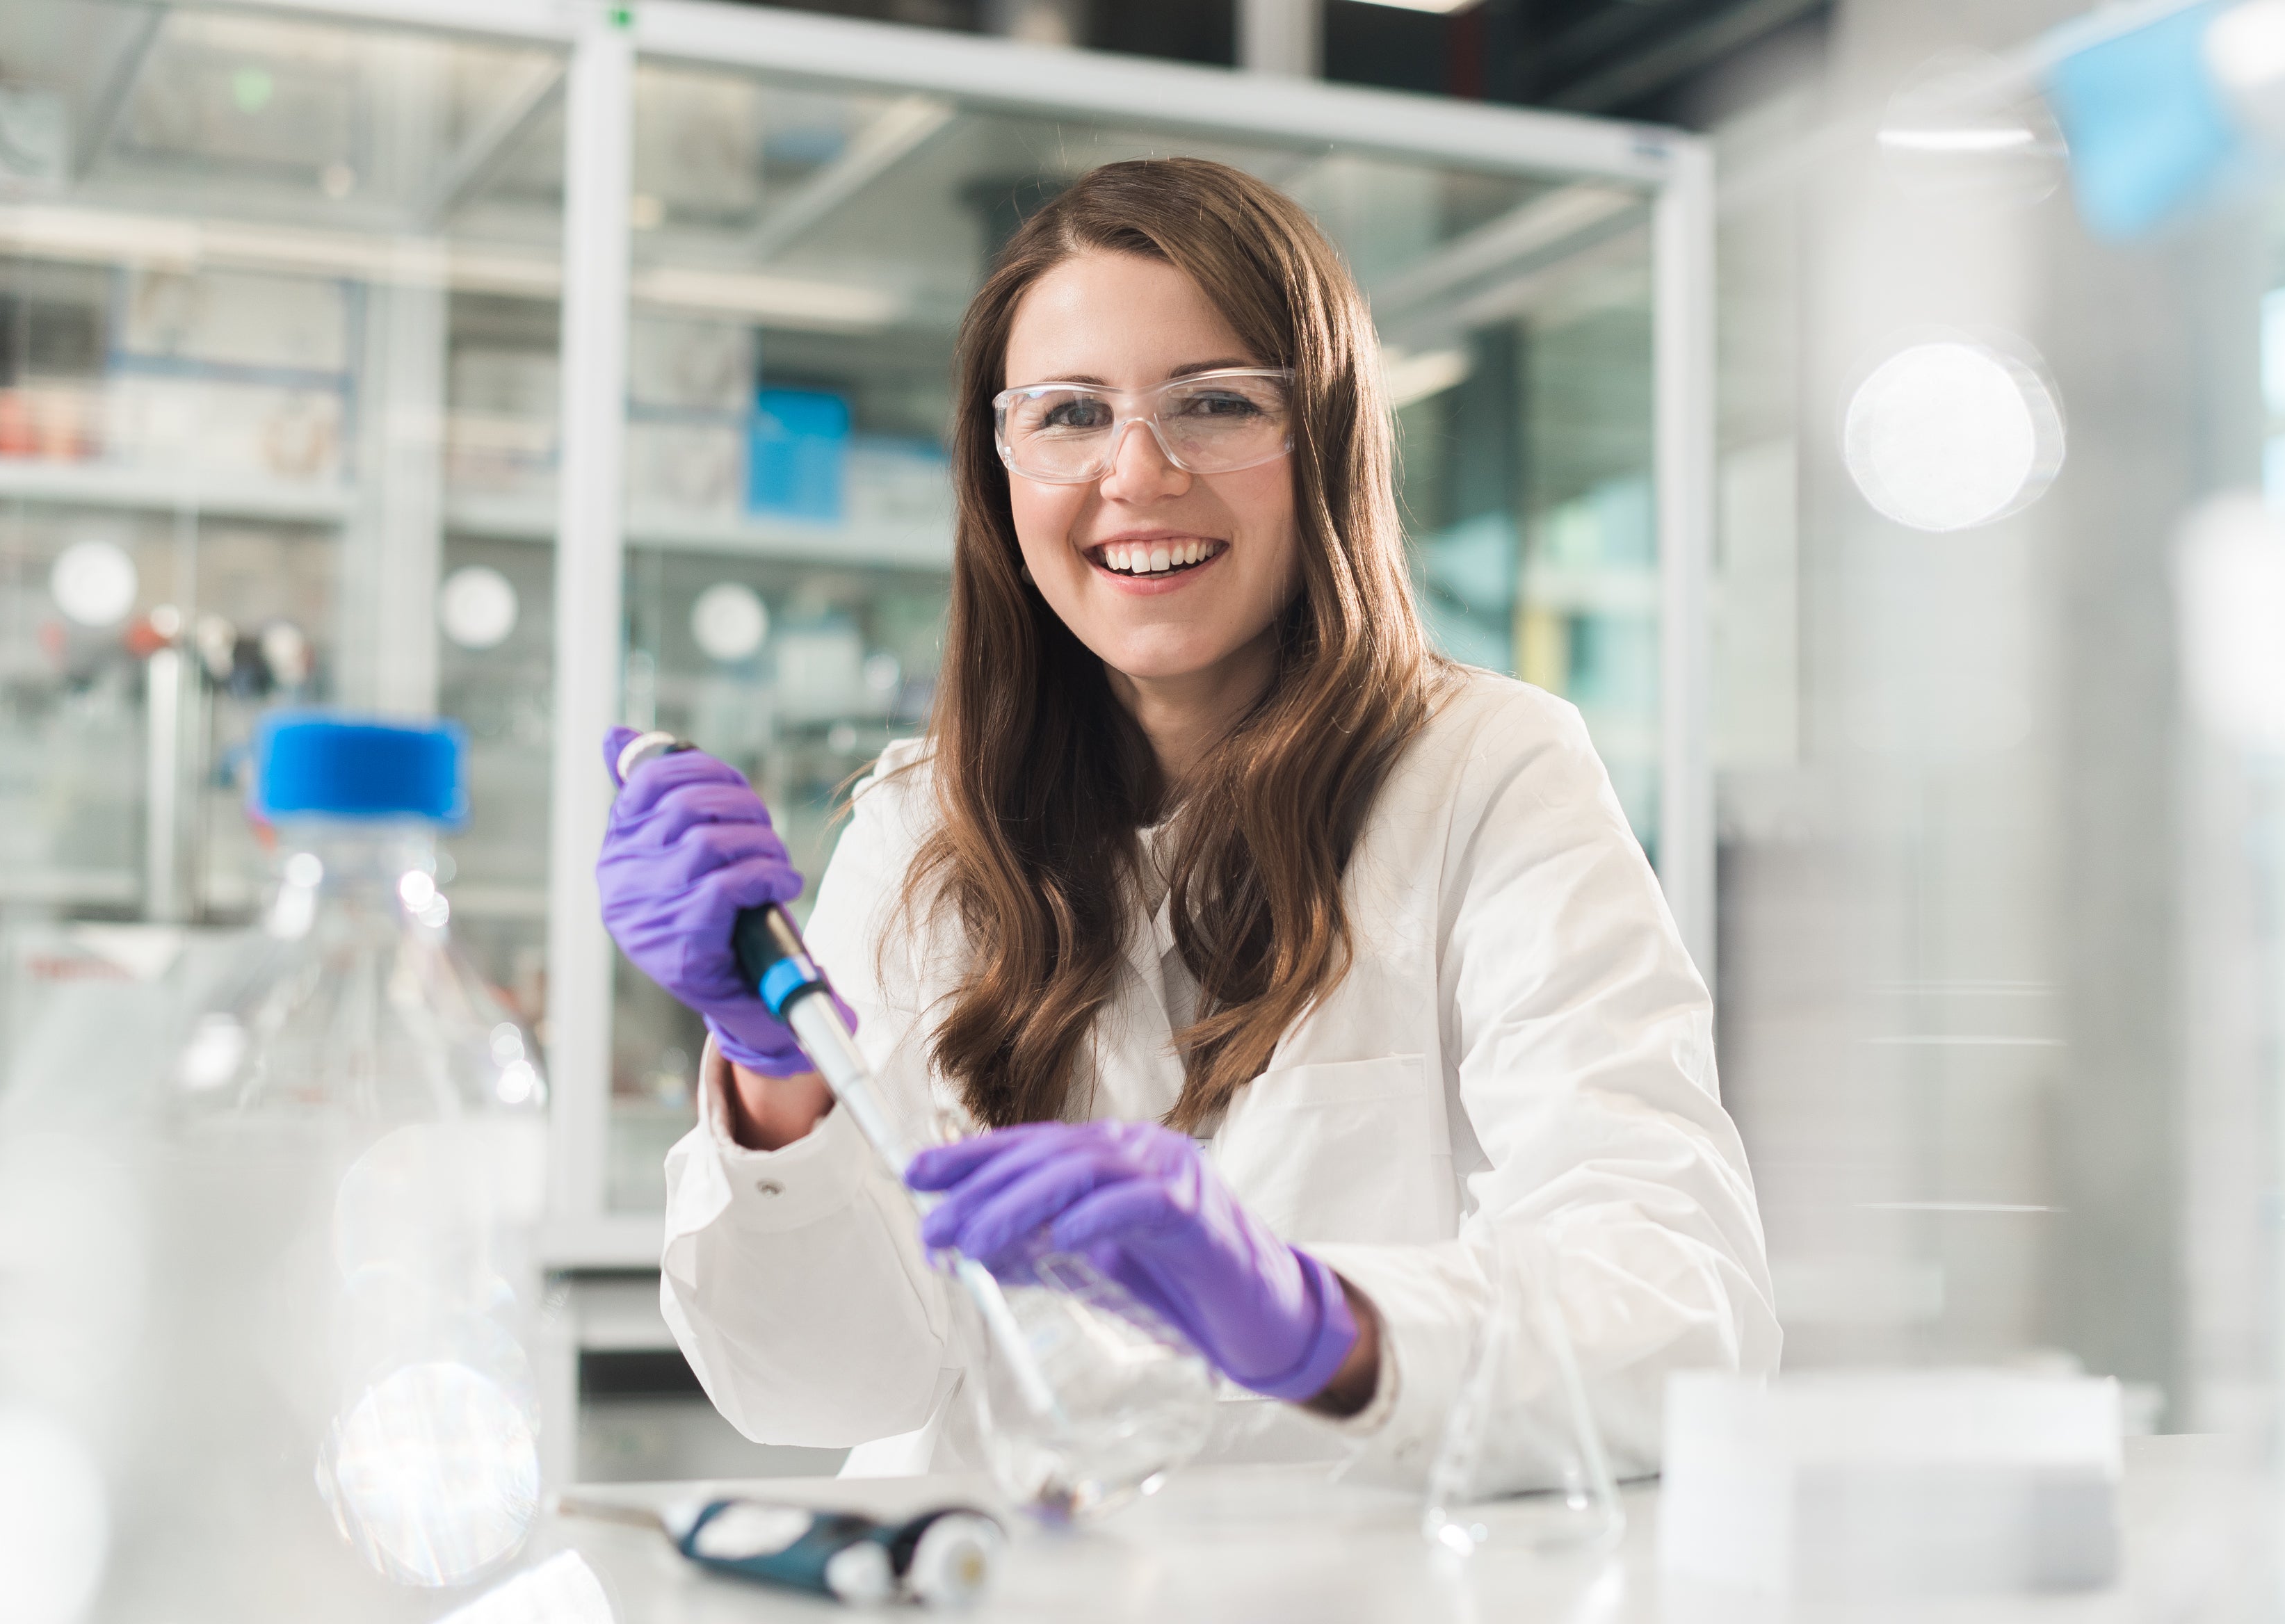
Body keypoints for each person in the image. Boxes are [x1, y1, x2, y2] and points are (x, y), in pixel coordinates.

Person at [596, 156, 1777, 1483]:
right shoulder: (921, 826)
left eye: (1216, 405)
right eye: (1069, 415)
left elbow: (1681, 1310)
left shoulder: (1487, 775)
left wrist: (1311, 1321)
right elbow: (821, 1388)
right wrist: (774, 1083)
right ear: (1001, 471)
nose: (1137, 473)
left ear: (1323, 443)